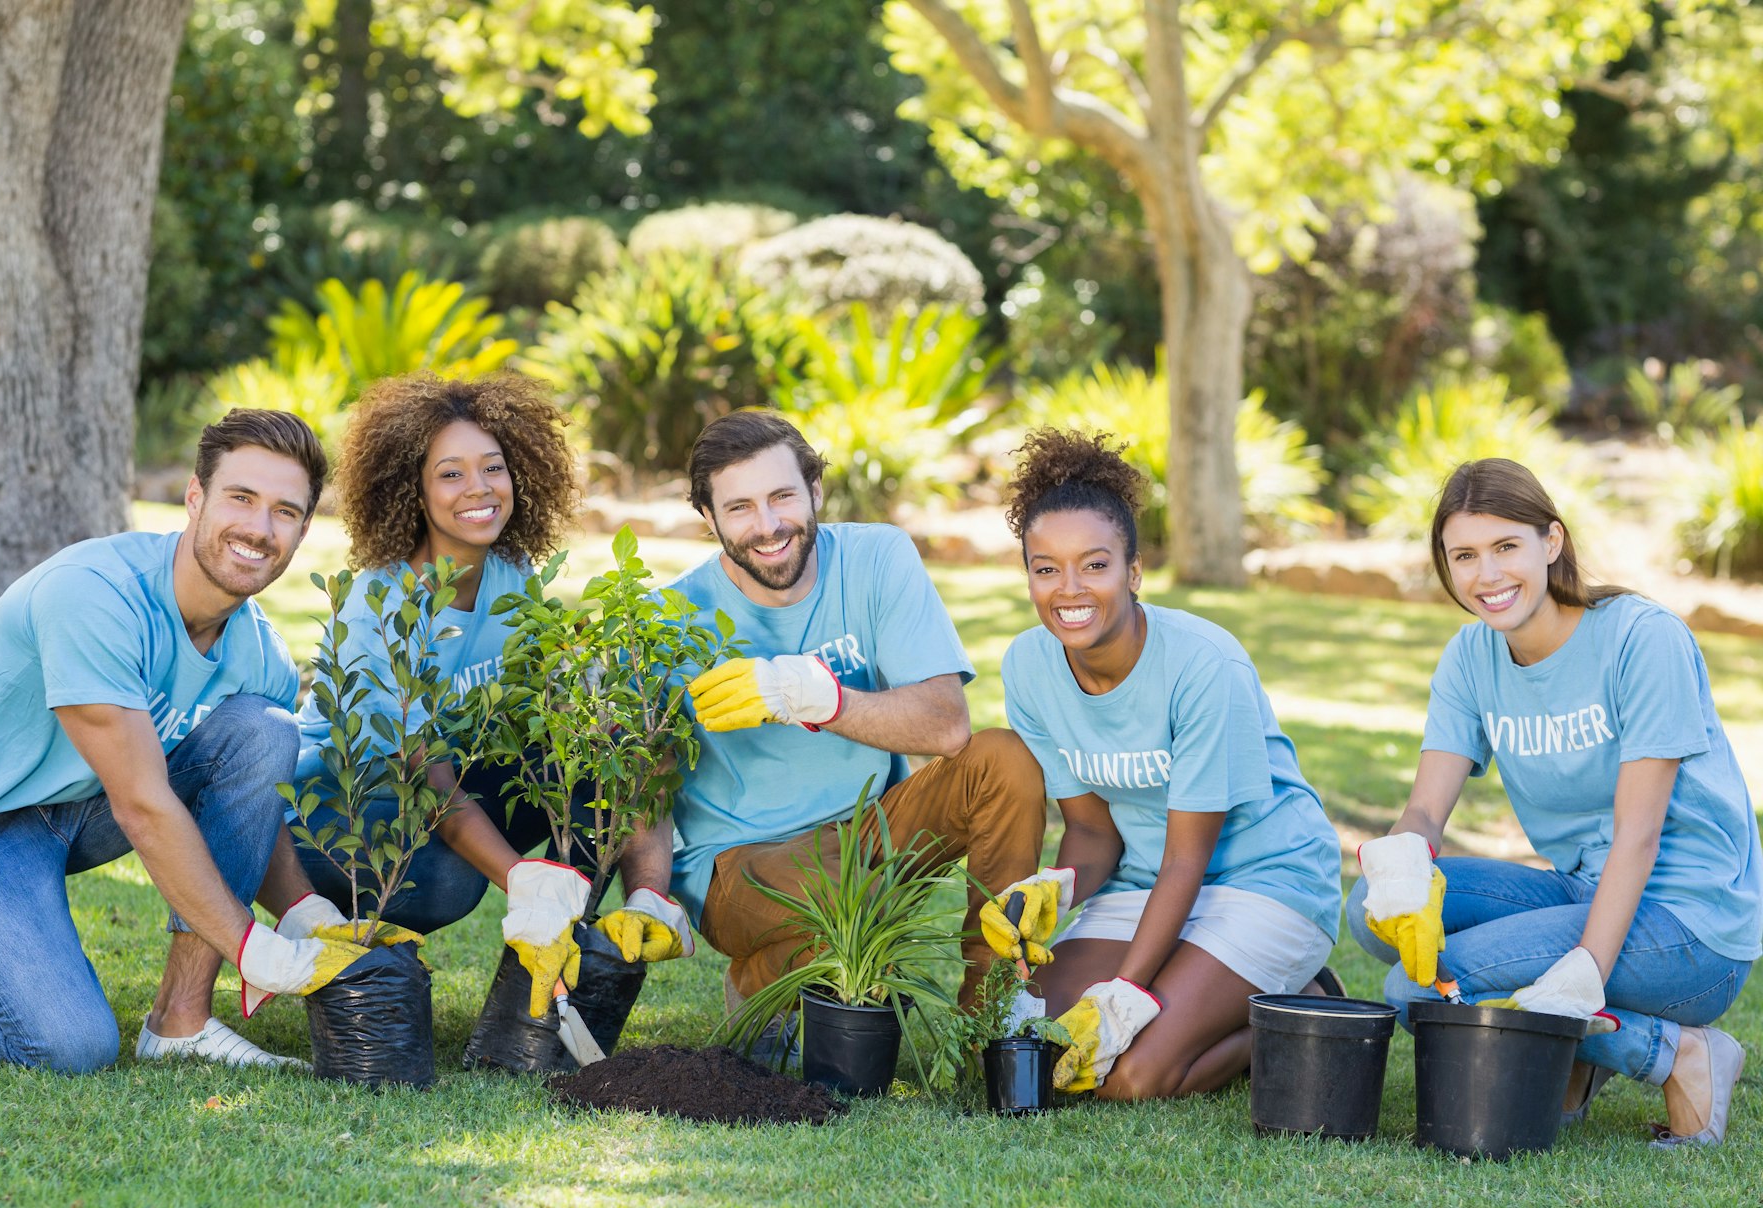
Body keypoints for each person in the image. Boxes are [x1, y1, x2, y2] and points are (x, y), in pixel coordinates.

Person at [0, 410, 379, 1074]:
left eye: (285, 511)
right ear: (195, 497)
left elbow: (249, 796)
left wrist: (304, 912)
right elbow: (143, 808)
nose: (259, 527)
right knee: (73, 1045)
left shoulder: (259, 653)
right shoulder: (97, 596)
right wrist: (252, 948)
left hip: (75, 800)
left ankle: (181, 1022)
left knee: (262, 731)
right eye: (240, 498)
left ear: (304, 530)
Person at [1349, 458, 1757, 1146]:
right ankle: (1564, 1045)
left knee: (1413, 991)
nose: (1488, 575)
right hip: (1583, 890)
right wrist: (1400, 868)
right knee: (1372, 917)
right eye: (1465, 556)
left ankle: (1678, 1051)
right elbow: (1424, 813)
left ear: (1552, 542)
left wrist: (1586, 970)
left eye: (1507, 546)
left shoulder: (1640, 639)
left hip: (1692, 924)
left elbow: (1638, 834)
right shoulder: (1471, 658)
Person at [283, 373, 691, 1016]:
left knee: (618, 741)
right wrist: (518, 879)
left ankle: (551, 990)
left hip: (450, 793)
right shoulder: (378, 605)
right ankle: (513, 921)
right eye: (450, 474)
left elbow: (545, 725)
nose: (478, 488)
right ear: (409, 488)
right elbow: (424, 772)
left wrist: (611, 719)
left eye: (493, 467)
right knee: (450, 881)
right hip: (343, 818)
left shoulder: (509, 575)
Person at [653, 410, 1048, 1018]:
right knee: (848, 905)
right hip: (744, 863)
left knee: (1004, 762)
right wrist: (647, 896)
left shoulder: (875, 556)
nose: (767, 526)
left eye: (783, 496)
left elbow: (945, 726)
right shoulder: (669, 619)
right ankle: (787, 970)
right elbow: (643, 779)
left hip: (872, 833)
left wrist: (815, 697)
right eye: (739, 508)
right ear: (708, 518)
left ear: (815, 490)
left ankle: (991, 1017)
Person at [996, 429, 1343, 1100]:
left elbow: (1188, 858)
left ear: (1133, 571)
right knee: (1037, 1037)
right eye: (1046, 568)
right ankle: (1212, 983)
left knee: (1127, 1074)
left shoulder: (1203, 665)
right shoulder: (1028, 667)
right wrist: (1057, 887)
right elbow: (1095, 833)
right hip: (1142, 883)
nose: (1069, 589)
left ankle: (1301, 1002)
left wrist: (1127, 993)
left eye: (1094, 565)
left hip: (1267, 881)